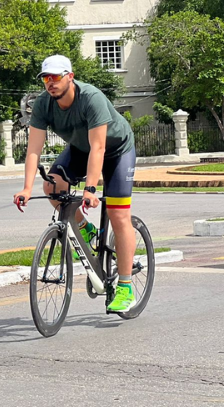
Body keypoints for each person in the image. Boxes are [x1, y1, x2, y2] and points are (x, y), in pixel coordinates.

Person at [13, 54, 137, 313]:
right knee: (52, 186)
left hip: (116, 150)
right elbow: (34, 150)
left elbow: (99, 146)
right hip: (81, 149)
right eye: (46, 78)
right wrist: (26, 187)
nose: (50, 82)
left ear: (70, 76)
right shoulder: (43, 104)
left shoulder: (91, 98)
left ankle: (125, 286)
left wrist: (90, 188)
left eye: (56, 77)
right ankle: (85, 228)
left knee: (118, 214)